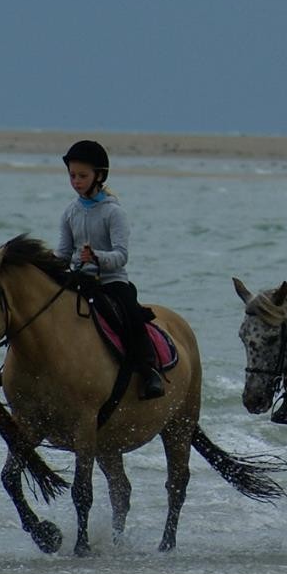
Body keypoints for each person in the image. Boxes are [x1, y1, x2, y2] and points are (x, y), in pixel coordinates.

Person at [57, 139, 165, 404]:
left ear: (99, 176)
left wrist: (96, 256)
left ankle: (149, 370)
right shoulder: (69, 212)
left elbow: (121, 256)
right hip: (80, 280)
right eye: (72, 175)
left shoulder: (114, 212)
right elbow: (62, 254)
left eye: (82, 176)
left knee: (130, 317)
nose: (76, 181)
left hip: (112, 282)